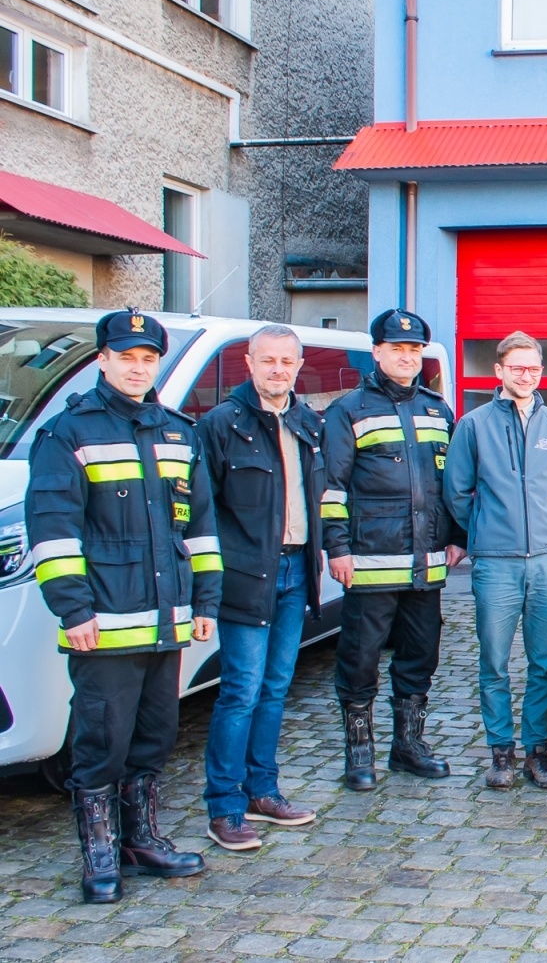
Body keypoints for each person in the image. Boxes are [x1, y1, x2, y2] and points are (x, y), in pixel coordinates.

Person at [26, 309, 220, 903]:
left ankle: (141, 841)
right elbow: (53, 531)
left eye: (147, 359)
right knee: (101, 742)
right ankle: (100, 855)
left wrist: (205, 601)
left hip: (166, 618)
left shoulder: (178, 432)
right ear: (103, 360)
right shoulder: (69, 432)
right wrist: (73, 609)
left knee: (155, 735)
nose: (138, 368)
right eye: (126, 358)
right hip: (103, 623)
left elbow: (200, 528)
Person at [323, 309, 466, 790]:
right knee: (360, 659)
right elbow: (332, 487)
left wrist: (458, 537)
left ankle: (408, 747)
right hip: (369, 563)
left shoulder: (437, 410)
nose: (406, 357)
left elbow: (453, 484)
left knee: (420, 656)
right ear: (377, 352)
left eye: (414, 350)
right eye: (397, 349)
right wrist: (336, 548)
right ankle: (359, 753)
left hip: (426, 565)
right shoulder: (349, 410)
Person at [197, 325, 324, 850]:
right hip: (246, 576)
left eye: (287, 361)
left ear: (299, 366)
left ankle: (262, 791)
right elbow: (202, 511)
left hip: (296, 572)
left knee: (274, 689)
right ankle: (224, 807)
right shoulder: (220, 424)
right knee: (241, 691)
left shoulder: (307, 422)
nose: (278, 369)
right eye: (267, 360)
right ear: (248, 364)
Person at [445, 332, 547, 788]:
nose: (526, 375)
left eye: (534, 368)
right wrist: (486, 531)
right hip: (496, 563)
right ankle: (501, 752)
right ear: (499, 370)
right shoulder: (474, 425)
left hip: (545, 562)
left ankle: (537, 751)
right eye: (517, 367)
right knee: (494, 661)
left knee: (543, 661)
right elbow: (457, 491)